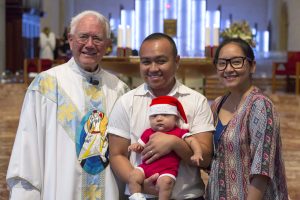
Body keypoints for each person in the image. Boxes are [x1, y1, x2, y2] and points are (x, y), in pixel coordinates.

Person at [6, 10, 129, 199]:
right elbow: (27, 150)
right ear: (70, 40)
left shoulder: (119, 89)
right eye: (83, 37)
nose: (89, 44)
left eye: (97, 38)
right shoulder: (46, 85)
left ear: (106, 45)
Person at [108, 32, 215, 200]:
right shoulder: (127, 102)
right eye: (146, 62)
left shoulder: (196, 101)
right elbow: (117, 154)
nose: (153, 68)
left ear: (177, 62)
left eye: (161, 61)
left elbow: (206, 158)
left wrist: (174, 143)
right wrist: (142, 185)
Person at [206, 38, 288, 199]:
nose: (228, 69)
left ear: (252, 66)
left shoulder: (260, 106)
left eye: (237, 62)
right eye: (222, 63)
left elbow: (261, 170)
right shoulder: (217, 105)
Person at [128, 96, 204, 200]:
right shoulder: (148, 132)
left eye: (165, 115)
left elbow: (192, 141)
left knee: (166, 183)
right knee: (133, 176)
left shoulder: (179, 132)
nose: (159, 119)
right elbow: (142, 147)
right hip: (145, 168)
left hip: (167, 171)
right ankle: (136, 196)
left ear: (176, 119)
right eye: (154, 116)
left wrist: (197, 153)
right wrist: (137, 146)